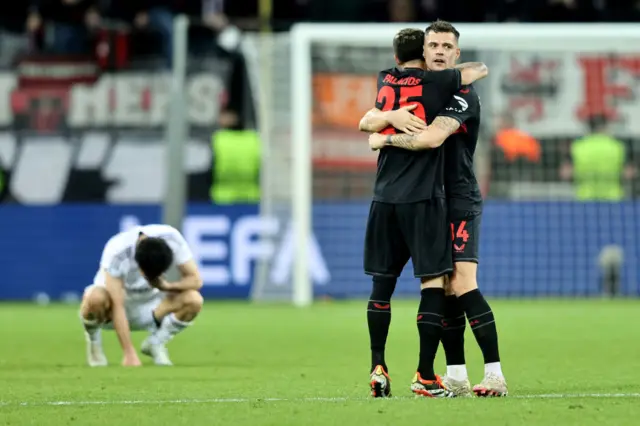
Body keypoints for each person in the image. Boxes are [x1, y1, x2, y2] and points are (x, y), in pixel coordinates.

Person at [364, 20, 508, 397]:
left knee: (461, 283)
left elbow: (431, 138)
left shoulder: (462, 96)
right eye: (434, 45)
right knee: (441, 288)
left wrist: (384, 138)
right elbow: (369, 116)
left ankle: (494, 374)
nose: (440, 50)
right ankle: (456, 374)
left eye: (448, 45)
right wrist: (383, 122)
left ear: (456, 54)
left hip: (457, 197)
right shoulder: (419, 90)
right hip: (427, 198)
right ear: (423, 52)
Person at [80, 224, 204, 367]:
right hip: (112, 310)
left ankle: (155, 343)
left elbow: (195, 280)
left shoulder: (172, 238)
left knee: (194, 299)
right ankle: (94, 343)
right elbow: (117, 305)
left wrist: (167, 286)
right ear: (140, 268)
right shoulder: (117, 251)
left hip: (153, 306)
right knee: (95, 298)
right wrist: (129, 353)